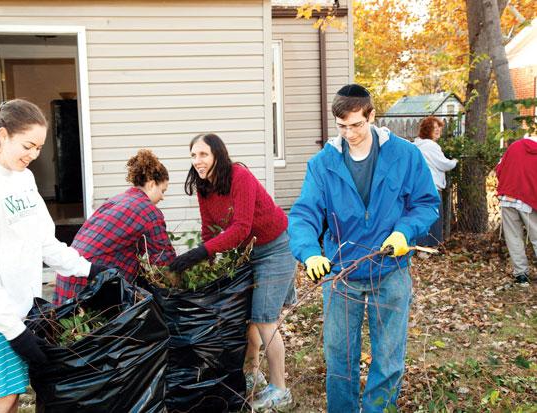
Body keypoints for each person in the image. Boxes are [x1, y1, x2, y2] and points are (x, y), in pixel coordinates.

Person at [0, 99, 102, 412]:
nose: (34, 155)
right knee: (0, 399)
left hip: (13, 311)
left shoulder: (22, 178)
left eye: (39, 147)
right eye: (28, 145)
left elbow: (44, 242)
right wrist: (15, 332)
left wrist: (89, 269)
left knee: (9, 396)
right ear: (2, 135)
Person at [288, 84, 439, 412]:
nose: (350, 133)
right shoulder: (323, 164)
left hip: (391, 271)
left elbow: (426, 204)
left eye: (357, 125)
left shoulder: (404, 155)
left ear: (371, 116)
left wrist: (404, 232)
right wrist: (310, 252)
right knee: (340, 359)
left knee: (388, 358)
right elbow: (304, 214)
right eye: (342, 127)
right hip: (342, 274)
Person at [169, 133, 296, 411]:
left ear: (217, 154)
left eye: (203, 154)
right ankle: (251, 375)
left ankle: (280, 389)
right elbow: (208, 229)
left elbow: (240, 228)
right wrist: (206, 265)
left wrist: (199, 253)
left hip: (275, 248)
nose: (197, 161)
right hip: (246, 253)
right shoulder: (204, 186)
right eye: (193, 155)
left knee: (264, 319)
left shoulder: (239, 176)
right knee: (246, 318)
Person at [53, 149, 176, 305]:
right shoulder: (148, 211)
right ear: (151, 184)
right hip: (90, 283)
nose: (162, 197)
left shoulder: (118, 200)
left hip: (70, 273)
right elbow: (163, 261)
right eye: (162, 191)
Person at [495, 134, 537, 284]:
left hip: (507, 198)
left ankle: (521, 274)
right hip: (528, 200)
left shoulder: (513, 148)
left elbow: (499, 169)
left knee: (513, 237)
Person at [413, 116, 457, 246]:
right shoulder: (431, 146)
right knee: (433, 217)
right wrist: (454, 162)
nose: (438, 131)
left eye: (439, 128)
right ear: (427, 130)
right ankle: (430, 246)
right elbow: (443, 164)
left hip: (418, 186)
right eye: (435, 128)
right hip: (432, 186)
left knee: (421, 216)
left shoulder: (416, 145)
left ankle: (420, 245)